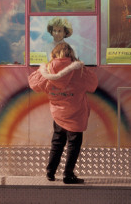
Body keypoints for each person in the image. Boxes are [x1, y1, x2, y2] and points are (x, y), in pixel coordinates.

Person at [28, 42, 98, 184]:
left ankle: (50, 172)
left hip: (58, 113)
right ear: (70, 53)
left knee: (57, 142)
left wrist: (44, 69)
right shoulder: (79, 70)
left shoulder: (47, 70)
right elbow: (93, 84)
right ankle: (68, 175)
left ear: (54, 54)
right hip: (76, 114)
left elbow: (33, 84)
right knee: (73, 144)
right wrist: (81, 66)